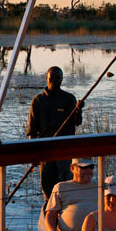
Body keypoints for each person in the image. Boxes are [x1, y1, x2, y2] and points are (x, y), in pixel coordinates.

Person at [27, 66, 84, 202]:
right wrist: (34, 155)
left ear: (62, 80)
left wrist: (78, 110)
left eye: (57, 78)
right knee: (48, 188)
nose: (54, 80)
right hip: (46, 153)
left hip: (65, 152)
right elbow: (32, 131)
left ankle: (65, 214)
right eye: (51, 78)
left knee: (66, 187)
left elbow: (77, 122)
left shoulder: (69, 99)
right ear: (46, 79)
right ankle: (50, 213)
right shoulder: (38, 101)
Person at [44, 158, 97, 231]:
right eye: (84, 167)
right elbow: (51, 214)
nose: (88, 171)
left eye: (91, 167)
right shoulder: (61, 187)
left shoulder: (100, 187)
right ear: (72, 168)